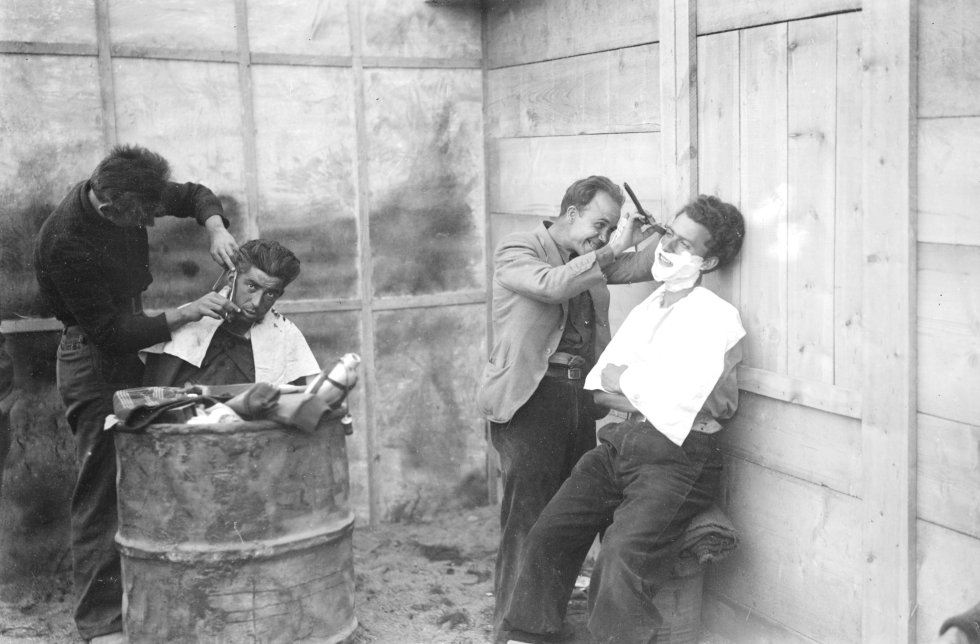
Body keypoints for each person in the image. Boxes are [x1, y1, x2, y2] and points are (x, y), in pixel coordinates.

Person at [498, 195, 746, 644]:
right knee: (549, 532)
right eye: (667, 234)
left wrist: (628, 381)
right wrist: (643, 386)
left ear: (707, 261)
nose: (667, 246)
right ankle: (527, 636)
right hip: (620, 444)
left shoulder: (716, 317)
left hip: (678, 457)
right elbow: (598, 386)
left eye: (684, 244)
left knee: (620, 557)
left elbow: (676, 403)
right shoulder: (647, 309)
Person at [33, 144, 240, 643]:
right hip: (93, 359)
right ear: (110, 209)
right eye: (141, 219)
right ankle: (100, 624)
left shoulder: (129, 186)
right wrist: (188, 312)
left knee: (144, 477)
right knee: (102, 492)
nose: (149, 221)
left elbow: (192, 195)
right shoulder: (65, 243)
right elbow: (110, 333)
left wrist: (216, 227)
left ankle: (142, 600)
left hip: (128, 345)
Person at [478, 175, 662, 637]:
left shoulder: (590, 259)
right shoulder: (519, 248)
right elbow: (551, 285)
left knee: (565, 522)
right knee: (528, 518)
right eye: (600, 224)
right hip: (530, 400)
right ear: (572, 212)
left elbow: (637, 266)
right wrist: (614, 246)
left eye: (610, 228)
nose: (603, 236)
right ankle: (510, 631)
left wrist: (664, 237)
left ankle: (544, 625)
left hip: (579, 399)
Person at [141, 239, 320, 388]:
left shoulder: (286, 334)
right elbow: (157, 392)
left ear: (279, 294)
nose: (257, 303)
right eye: (252, 286)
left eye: (270, 294)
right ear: (232, 279)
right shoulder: (190, 317)